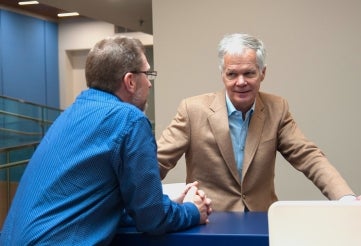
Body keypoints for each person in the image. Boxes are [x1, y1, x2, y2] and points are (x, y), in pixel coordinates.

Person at [0, 35, 211, 245]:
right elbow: (152, 220)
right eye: (147, 74)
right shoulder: (130, 119)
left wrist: (166, 205)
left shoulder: (72, 113)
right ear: (130, 81)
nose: (149, 83)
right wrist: (192, 211)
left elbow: (97, 203)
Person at [157, 33, 361, 212]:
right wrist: (130, 198)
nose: (241, 82)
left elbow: (309, 156)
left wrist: (346, 201)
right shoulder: (192, 110)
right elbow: (156, 162)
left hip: (261, 223)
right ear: (223, 75)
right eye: (232, 74)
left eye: (249, 73)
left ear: (262, 73)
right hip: (209, 221)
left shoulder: (277, 109)